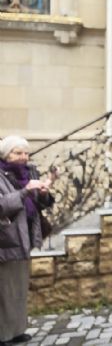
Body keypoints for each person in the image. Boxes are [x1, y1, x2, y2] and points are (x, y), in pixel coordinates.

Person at [0, 136, 55, 345]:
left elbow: (38, 204)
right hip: (6, 238)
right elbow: (2, 205)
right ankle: (3, 335)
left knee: (20, 287)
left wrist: (44, 193)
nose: (23, 157)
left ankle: (18, 330)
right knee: (4, 290)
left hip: (25, 236)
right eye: (17, 153)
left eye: (26, 153)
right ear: (6, 155)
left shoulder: (29, 172)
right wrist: (25, 191)